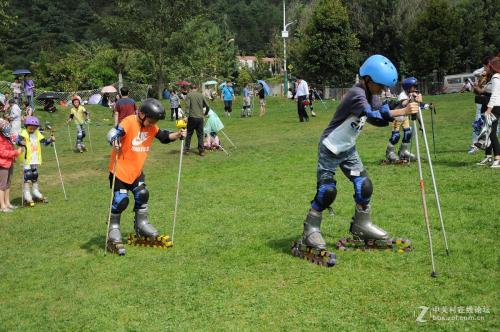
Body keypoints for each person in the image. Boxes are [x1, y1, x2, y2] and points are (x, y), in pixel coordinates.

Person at [293, 55, 419, 263]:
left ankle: (361, 226)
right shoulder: (357, 94)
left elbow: (379, 117)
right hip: (331, 146)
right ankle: (310, 230)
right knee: (327, 191)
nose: (382, 90)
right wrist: (402, 111)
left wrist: (405, 103)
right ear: (368, 79)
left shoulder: (372, 94)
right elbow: (372, 115)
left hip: (348, 148)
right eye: (381, 86)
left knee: (365, 186)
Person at [105, 98, 186, 255]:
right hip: (120, 171)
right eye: (151, 120)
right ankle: (113, 230)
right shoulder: (129, 121)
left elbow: (163, 136)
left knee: (142, 194)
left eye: (155, 121)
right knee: (121, 201)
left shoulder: (151, 127)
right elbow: (114, 132)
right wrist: (114, 140)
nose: (152, 123)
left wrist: (177, 135)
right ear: (141, 114)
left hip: (136, 171)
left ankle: (141, 226)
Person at [16, 116, 55, 206]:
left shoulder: (37, 133)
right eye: (30, 127)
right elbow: (17, 141)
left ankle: (35, 192)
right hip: (26, 159)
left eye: (34, 127)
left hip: (35, 158)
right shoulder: (23, 133)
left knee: (35, 175)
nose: (32, 129)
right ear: (26, 126)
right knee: (28, 175)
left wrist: (51, 140)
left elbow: (44, 142)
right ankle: (27, 194)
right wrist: (21, 142)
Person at [384, 76, 421, 162]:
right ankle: (389, 153)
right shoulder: (402, 95)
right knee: (396, 135)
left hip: (405, 117)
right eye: (414, 87)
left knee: (408, 133)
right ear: (408, 87)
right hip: (397, 117)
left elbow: (415, 106)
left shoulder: (410, 94)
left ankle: (403, 152)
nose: (416, 89)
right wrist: (410, 99)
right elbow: (403, 103)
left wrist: (425, 105)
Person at [476, 57, 500, 168]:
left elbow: (494, 94)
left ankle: (497, 159)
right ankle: (490, 157)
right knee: (490, 132)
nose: (486, 68)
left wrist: (489, 110)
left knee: (491, 133)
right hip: (495, 107)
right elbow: (483, 89)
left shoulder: (495, 77)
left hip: (495, 107)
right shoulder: (494, 77)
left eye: (488, 66)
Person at [470, 55, 494, 154]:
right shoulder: (485, 76)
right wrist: (476, 87)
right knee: (481, 125)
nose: (483, 69)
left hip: (492, 104)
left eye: (485, 66)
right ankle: (487, 154)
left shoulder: (494, 77)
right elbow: (479, 90)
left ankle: (494, 154)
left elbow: (489, 90)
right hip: (484, 103)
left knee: (492, 129)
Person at [0, 119, 22, 212]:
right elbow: (3, 153)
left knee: (8, 184)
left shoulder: (7, 138)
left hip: (9, 163)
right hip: (3, 164)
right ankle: (3, 206)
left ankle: (8, 203)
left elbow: (12, 144)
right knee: (2, 186)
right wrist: (16, 153)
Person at [184, 83, 209, 156]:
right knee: (200, 135)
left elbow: (187, 106)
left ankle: (186, 150)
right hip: (200, 118)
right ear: (196, 88)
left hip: (192, 117)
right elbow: (208, 105)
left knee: (189, 134)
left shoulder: (189, 95)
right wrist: (205, 113)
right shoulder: (201, 95)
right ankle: (201, 151)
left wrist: (186, 116)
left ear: (190, 89)